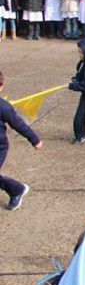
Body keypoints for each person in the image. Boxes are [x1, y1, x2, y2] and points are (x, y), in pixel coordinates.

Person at [0, 71, 42, 210]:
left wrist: (34, 139)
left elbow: (18, 124)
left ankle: (17, 190)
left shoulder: (4, 107)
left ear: (1, 87)